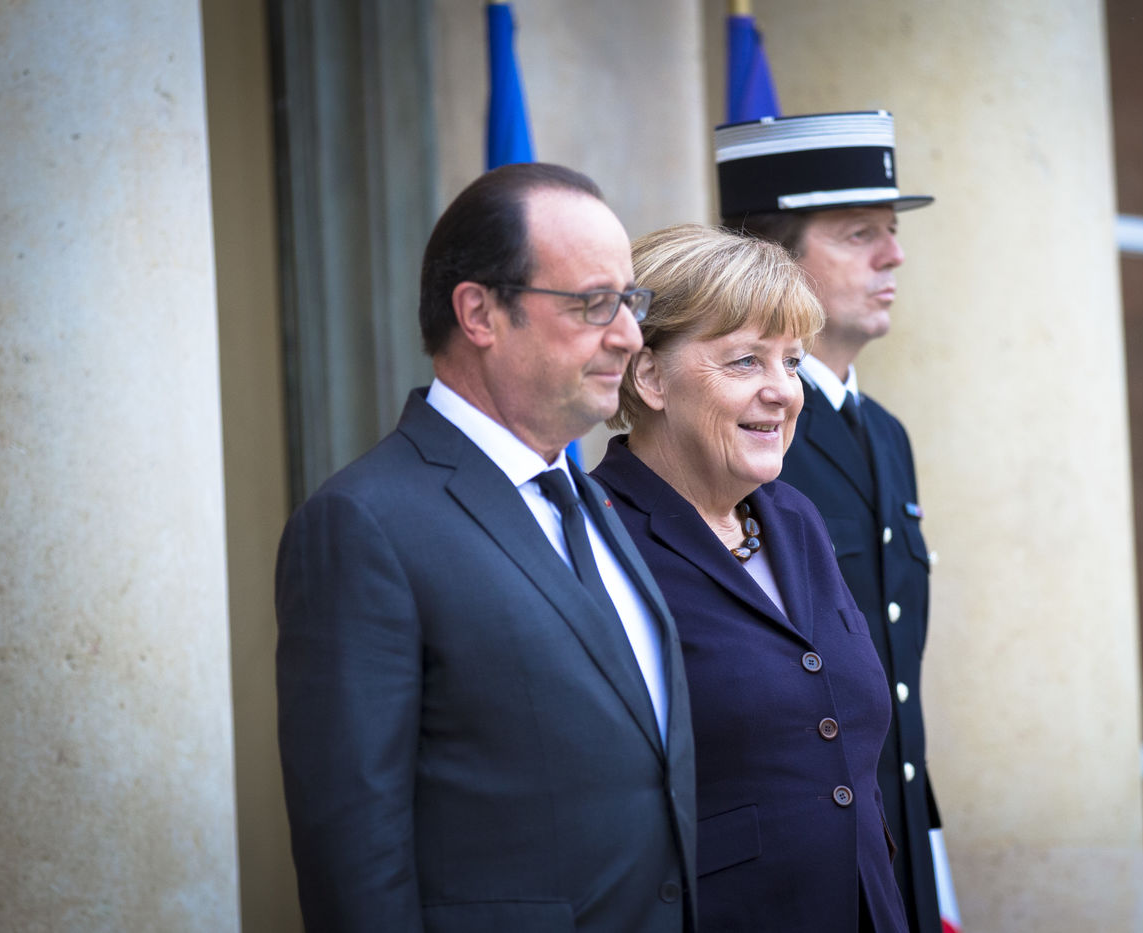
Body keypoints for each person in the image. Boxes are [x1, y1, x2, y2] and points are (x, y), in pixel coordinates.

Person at [274, 163, 697, 932]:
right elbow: (353, 859)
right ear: (479, 312)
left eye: (630, 301)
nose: (630, 336)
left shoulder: (589, 499)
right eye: (594, 303)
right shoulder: (363, 524)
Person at [591, 223, 908, 933]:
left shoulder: (795, 518)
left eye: (791, 361)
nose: (784, 392)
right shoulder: (595, 538)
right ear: (649, 376)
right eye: (745, 361)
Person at [715, 110, 943, 933]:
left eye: (892, 231)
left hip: (895, 863)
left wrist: (932, 872)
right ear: (774, 259)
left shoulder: (885, 433)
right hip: (800, 875)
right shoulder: (746, 430)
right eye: (859, 233)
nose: (893, 255)